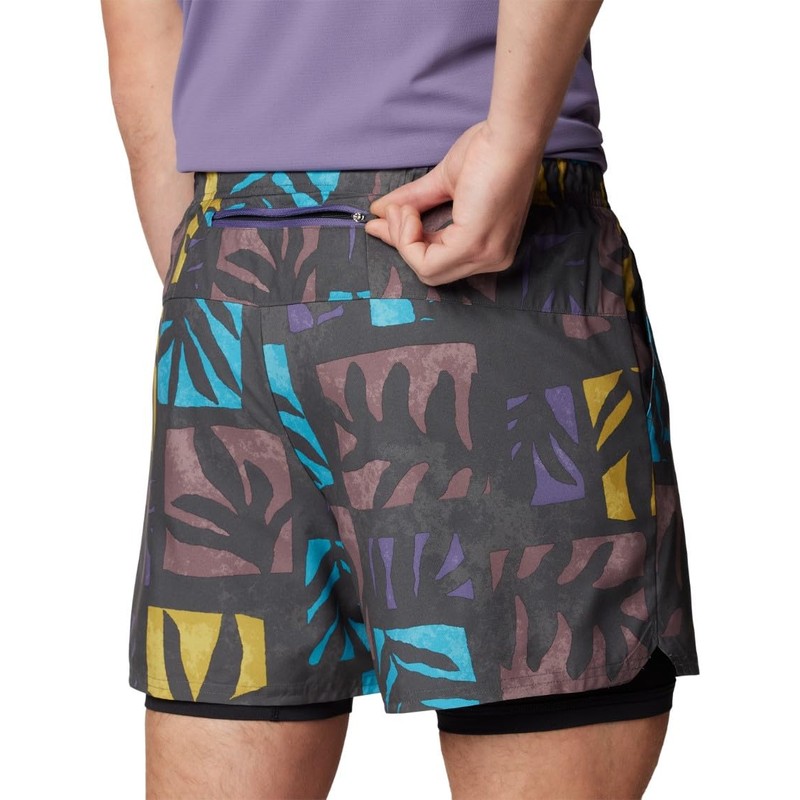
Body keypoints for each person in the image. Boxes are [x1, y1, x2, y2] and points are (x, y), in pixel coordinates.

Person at [101, 0, 699, 796]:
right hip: (484, 249)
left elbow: (139, 25)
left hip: (238, 268)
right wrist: (512, 138)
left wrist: (204, 266)